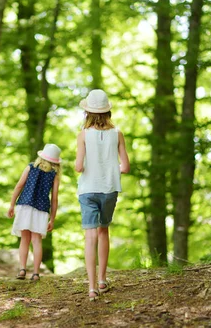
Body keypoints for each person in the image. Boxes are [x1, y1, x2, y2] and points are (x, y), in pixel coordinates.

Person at [74, 89, 130, 301]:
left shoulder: (83, 135)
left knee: (90, 236)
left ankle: (91, 287)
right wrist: (111, 167)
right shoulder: (117, 135)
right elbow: (125, 167)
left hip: (88, 189)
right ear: (108, 112)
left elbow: (79, 167)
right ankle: (103, 279)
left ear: (87, 112)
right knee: (103, 231)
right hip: (109, 188)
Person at [7, 144, 61, 281]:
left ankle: (22, 269)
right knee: (36, 241)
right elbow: (54, 199)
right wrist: (52, 219)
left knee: (24, 240)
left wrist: (12, 204)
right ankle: (36, 273)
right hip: (42, 209)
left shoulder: (30, 167)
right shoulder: (54, 175)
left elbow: (19, 185)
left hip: (25, 205)